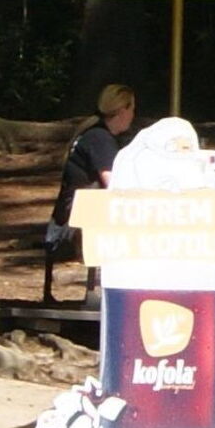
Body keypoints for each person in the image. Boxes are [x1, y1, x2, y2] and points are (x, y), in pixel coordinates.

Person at [42, 85, 140, 293]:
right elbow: (113, 183)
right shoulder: (99, 139)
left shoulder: (95, 134)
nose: (133, 115)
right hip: (73, 224)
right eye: (132, 109)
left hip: (67, 218)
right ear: (122, 109)